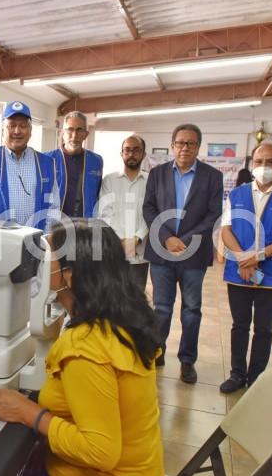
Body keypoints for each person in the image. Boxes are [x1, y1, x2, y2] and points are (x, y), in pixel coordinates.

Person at [0, 220, 163, 476]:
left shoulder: (86, 345)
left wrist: (27, 412)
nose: (40, 270)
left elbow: (100, 451)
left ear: (69, 275)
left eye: (47, 262)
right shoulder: (125, 318)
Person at [142, 123, 223, 383]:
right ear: (173, 145)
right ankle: (158, 352)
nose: (184, 148)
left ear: (198, 146)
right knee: (162, 308)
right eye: (180, 142)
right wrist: (166, 238)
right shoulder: (157, 174)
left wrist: (184, 240)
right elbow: (149, 209)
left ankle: (187, 361)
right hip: (161, 253)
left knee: (191, 310)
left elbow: (213, 214)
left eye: (190, 143)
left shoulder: (212, 176)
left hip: (193, 254)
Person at [220, 144, 272, 393]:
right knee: (239, 324)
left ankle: (256, 378)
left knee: (264, 327)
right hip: (239, 271)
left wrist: (260, 255)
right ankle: (237, 374)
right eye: (258, 161)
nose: (263, 167)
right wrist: (242, 258)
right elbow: (225, 230)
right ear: (251, 163)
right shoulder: (237, 194)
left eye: (269, 161)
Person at [0, 101, 59, 231]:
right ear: (3, 130)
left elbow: (53, 208)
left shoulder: (46, 164)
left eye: (23, 126)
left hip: (34, 243)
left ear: (30, 130)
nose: (17, 131)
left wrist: (45, 240)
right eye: (11, 126)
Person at [99, 135, 150, 289]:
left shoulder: (151, 180)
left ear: (143, 154)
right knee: (111, 299)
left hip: (139, 254)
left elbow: (151, 214)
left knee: (136, 299)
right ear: (121, 153)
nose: (131, 154)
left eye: (136, 150)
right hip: (114, 252)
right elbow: (105, 214)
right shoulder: (109, 180)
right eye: (127, 150)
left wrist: (135, 239)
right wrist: (120, 241)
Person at [47, 111, 103, 218]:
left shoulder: (96, 161)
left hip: (85, 226)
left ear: (86, 134)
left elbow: (98, 195)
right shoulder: (48, 159)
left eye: (79, 130)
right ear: (62, 133)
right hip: (55, 226)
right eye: (70, 130)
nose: (74, 136)